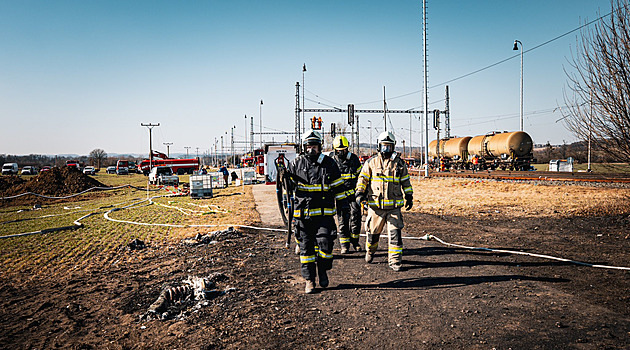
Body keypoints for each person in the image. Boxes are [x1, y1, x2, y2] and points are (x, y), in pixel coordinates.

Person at [286, 130, 348, 294]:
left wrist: (343, 205)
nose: (311, 149)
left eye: (314, 146)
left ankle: (323, 270)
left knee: (326, 246)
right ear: (303, 147)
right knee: (306, 250)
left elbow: (338, 187)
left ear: (320, 146)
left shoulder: (330, 164)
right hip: (303, 217)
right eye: (308, 146)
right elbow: (288, 189)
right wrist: (284, 177)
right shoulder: (295, 164)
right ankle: (309, 281)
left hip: (324, 216)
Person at [355, 131, 413, 272]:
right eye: (384, 146)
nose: (387, 149)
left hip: (393, 208)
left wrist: (409, 195)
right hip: (375, 208)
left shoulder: (399, 164)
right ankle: (370, 251)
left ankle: (395, 261)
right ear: (379, 146)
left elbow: (406, 181)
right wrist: (359, 193)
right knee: (373, 235)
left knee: (395, 235)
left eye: (389, 146)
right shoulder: (371, 163)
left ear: (393, 147)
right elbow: (363, 179)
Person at [331, 135, 363, 254]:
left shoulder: (354, 160)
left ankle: (355, 242)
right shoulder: (332, 161)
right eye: (339, 151)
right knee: (342, 220)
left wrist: (362, 192)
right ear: (335, 150)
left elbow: (361, 177)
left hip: (353, 196)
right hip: (340, 196)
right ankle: (344, 245)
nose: (341, 152)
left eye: (344, 150)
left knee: (356, 218)